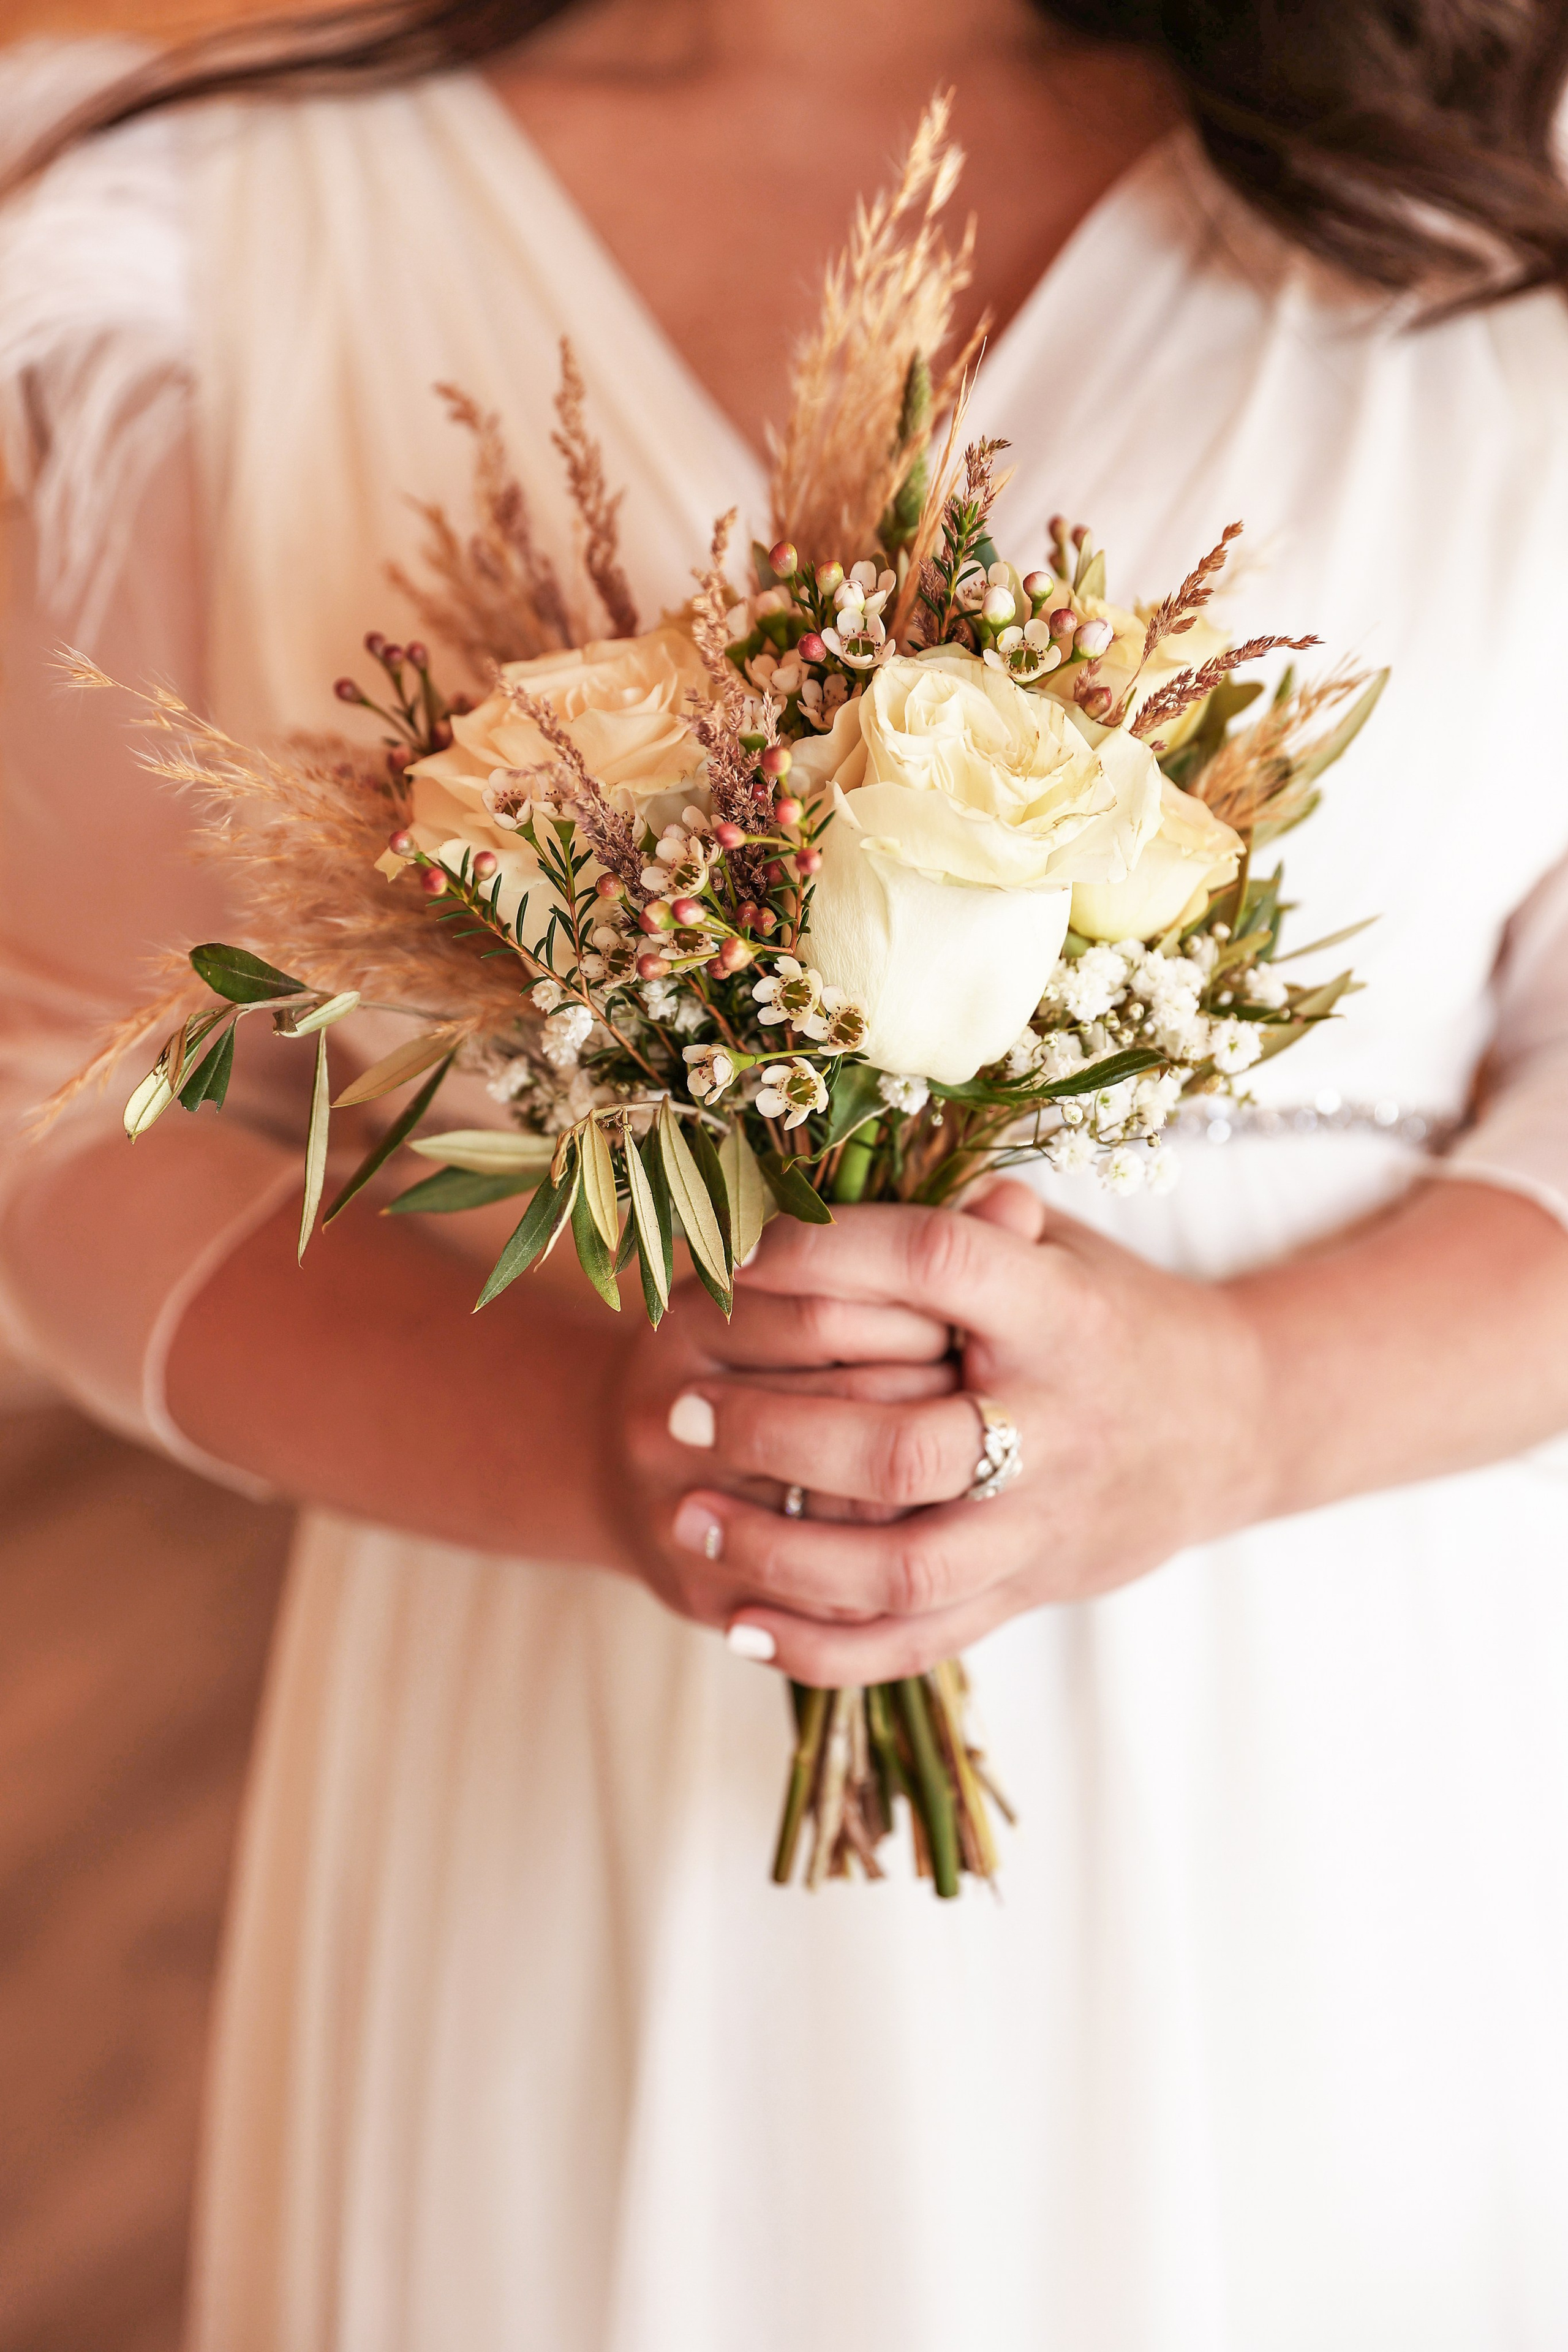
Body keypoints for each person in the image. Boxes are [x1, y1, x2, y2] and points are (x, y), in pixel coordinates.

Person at [4, 1, 1568, 2341]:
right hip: (547, 1778)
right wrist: (612, 1459)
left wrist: (1241, 1406)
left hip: (1334, 1772)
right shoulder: (197, 225)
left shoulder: (1502, 169)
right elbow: (59, 1092)